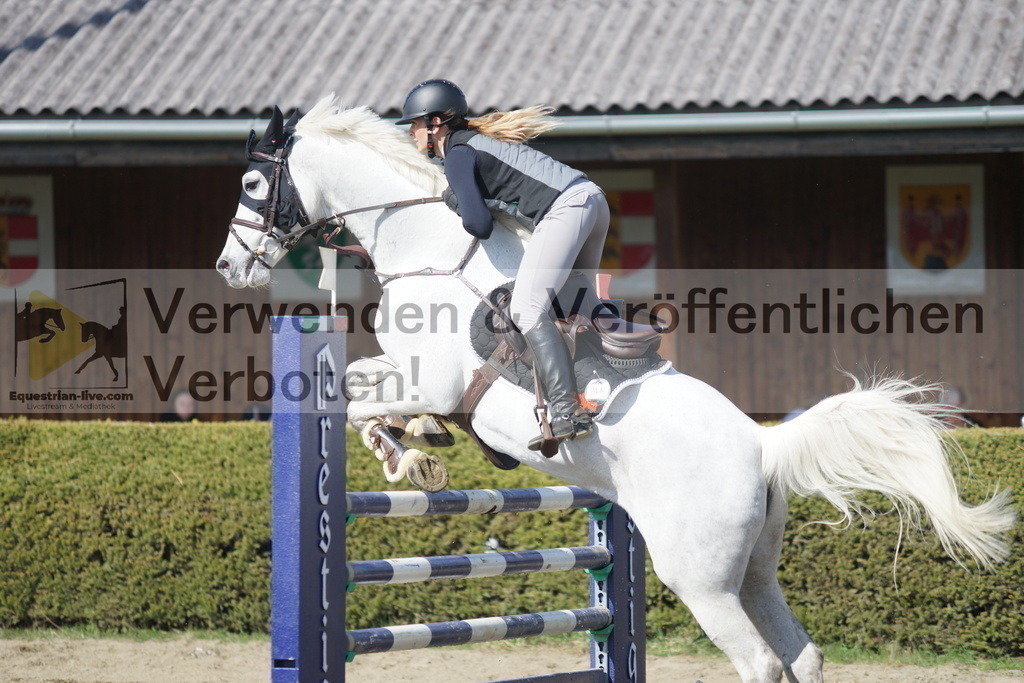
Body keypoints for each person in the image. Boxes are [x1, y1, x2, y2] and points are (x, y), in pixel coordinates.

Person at [396, 79, 609, 450]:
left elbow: (479, 224)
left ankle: (565, 411)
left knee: (527, 310)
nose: (411, 133)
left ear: (436, 124)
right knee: (577, 307)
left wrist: (455, 199)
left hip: (566, 209)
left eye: (414, 124)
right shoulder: (473, 144)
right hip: (592, 200)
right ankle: (610, 379)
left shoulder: (459, 154)